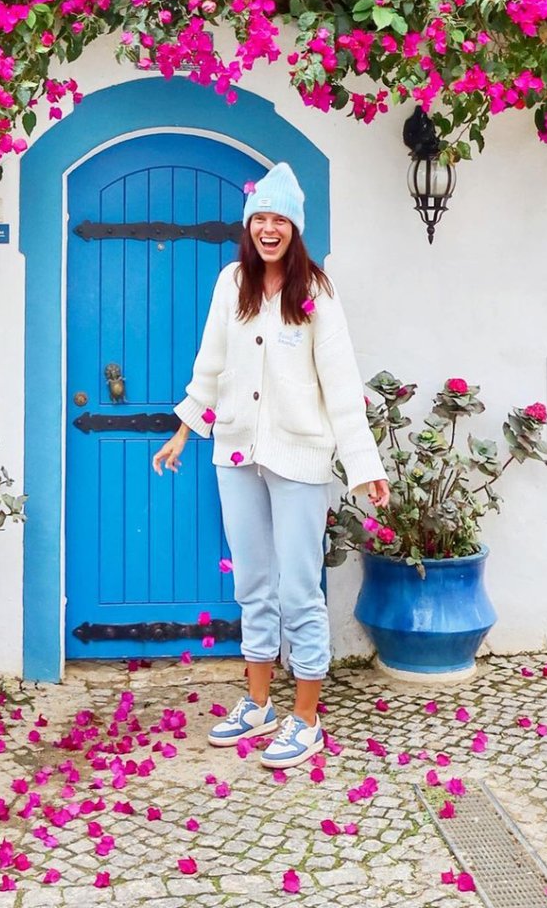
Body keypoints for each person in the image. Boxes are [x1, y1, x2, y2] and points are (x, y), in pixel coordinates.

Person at [152, 162, 389, 769]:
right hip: (234, 451)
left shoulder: (316, 291)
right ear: (249, 224)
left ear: (295, 227)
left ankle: (305, 716)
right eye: (260, 217)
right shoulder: (232, 283)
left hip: (300, 458)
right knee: (252, 582)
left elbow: (340, 384)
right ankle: (258, 705)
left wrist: (363, 463)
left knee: (298, 588)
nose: (268, 228)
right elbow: (211, 363)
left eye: (279, 219)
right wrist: (184, 430)